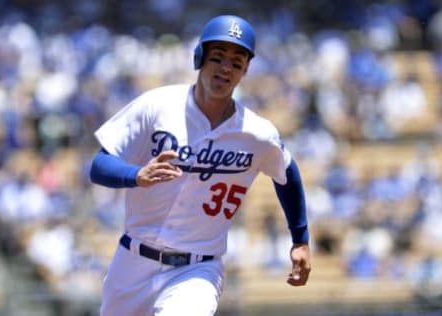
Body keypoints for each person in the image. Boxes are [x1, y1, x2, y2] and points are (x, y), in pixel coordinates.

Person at [89, 14, 311, 316]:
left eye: (236, 61)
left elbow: (289, 174)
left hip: (197, 271)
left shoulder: (257, 133)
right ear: (199, 58)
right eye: (218, 57)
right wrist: (136, 175)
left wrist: (301, 240)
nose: (226, 68)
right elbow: (99, 165)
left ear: (245, 69)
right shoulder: (157, 106)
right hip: (131, 263)